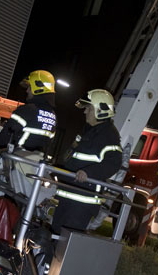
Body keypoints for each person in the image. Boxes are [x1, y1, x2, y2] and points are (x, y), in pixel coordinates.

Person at [51, 89, 122, 235]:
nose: (84, 112)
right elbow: (73, 158)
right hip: (69, 196)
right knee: (55, 237)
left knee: (64, 245)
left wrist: (88, 173)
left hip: (82, 202)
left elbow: (113, 163)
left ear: (100, 110)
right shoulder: (89, 131)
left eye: (88, 108)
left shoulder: (108, 135)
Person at [0, 70, 57, 197]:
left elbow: (4, 137)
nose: (27, 91)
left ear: (38, 88)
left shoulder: (26, 110)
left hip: (16, 163)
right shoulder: (52, 115)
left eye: (29, 87)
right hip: (36, 165)